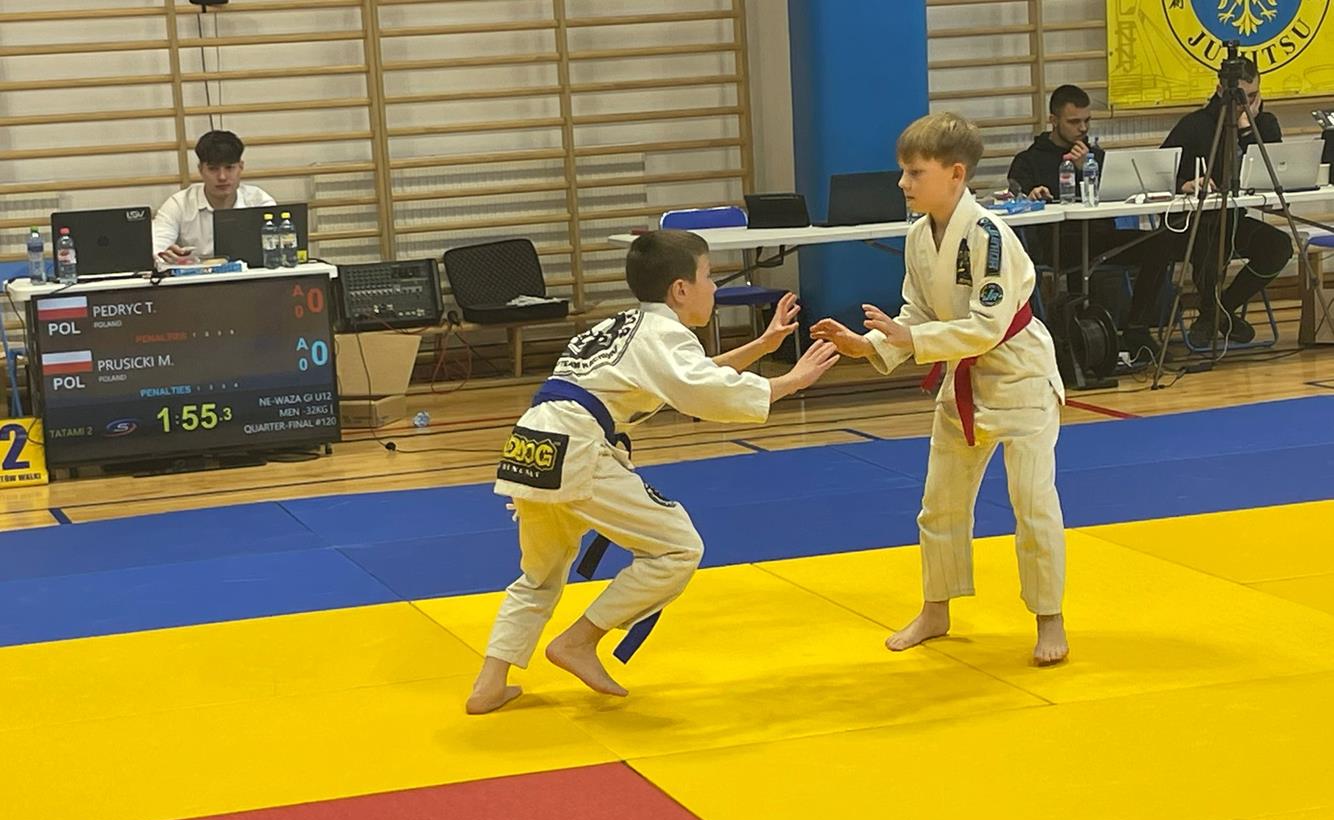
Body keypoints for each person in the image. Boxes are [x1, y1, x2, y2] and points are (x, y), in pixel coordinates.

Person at [466, 230, 841, 713]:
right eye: (708, 275)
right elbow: (702, 390)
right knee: (679, 547)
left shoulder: (626, 326)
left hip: (532, 445)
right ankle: (579, 640)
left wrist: (762, 345)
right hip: (577, 446)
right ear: (680, 289)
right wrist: (791, 381)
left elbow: (688, 379)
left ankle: (489, 683)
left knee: (539, 576)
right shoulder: (663, 335)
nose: (714, 287)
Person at [813, 112, 1068, 666]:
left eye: (915, 172)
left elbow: (988, 325)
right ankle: (936, 609)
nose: (902, 183)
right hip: (962, 378)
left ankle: (1049, 617)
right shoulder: (917, 236)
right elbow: (917, 312)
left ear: (956, 174)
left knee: (1032, 503)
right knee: (940, 504)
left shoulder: (989, 236)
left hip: (1019, 377)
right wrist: (869, 345)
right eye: (902, 171)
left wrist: (912, 337)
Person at [1008, 85, 1171, 353]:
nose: (1082, 128)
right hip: (1057, 243)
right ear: (1053, 120)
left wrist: (1087, 169)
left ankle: (1137, 327)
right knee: (1077, 256)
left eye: (1087, 121)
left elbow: (1118, 195)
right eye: (1074, 122)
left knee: (1160, 243)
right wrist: (1032, 195)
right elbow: (1017, 196)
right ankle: (1077, 338)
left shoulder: (1098, 157)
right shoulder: (1028, 161)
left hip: (1100, 237)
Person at [1161, 57, 1293, 345]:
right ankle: (1216, 314)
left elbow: (1271, 171)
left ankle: (1217, 313)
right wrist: (1185, 184)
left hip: (1234, 220)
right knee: (1210, 246)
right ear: (1222, 91)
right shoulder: (1195, 125)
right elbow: (1159, 174)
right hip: (1195, 223)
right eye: (1240, 97)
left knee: (1279, 247)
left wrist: (1246, 130)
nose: (1246, 104)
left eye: (1253, 96)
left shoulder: (1265, 124)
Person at [153, 130, 276, 265]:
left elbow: (279, 248)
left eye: (229, 168)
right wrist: (167, 257)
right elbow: (155, 249)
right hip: (196, 277)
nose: (222, 177)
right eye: (213, 169)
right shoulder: (179, 204)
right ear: (201, 170)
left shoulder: (259, 201)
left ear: (241, 167)